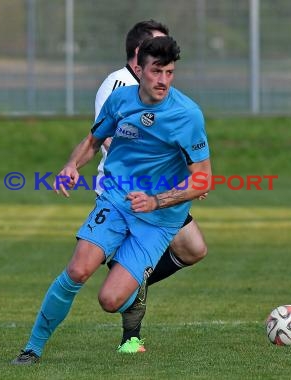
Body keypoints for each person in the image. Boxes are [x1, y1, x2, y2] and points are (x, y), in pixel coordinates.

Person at [11, 35, 212, 365]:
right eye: (156, 71)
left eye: (170, 72)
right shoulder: (120, 101)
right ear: (139, 68)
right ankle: (32, 348)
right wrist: (71, 165)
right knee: (77, 270)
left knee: (110, 299)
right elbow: (93, 141)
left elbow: (203, 179)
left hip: (159, 219)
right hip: (116, 200)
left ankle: (133, 282)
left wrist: (156, 201)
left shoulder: (187, 115)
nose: (163, 80)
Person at [94, 20, 208, 354]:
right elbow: (111, 142)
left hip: (158, 194)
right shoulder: (118, 87)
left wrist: (187, 180)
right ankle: (130, 337)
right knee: (143, 257)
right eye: (158, 48)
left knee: (193, 249)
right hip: (124, 193)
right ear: (138, 58)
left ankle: (128, 278)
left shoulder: (162, 95)